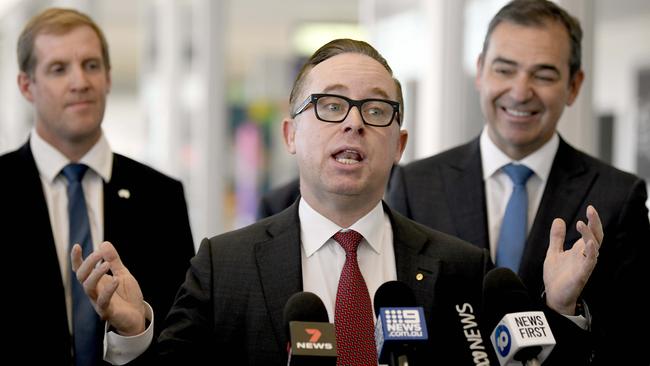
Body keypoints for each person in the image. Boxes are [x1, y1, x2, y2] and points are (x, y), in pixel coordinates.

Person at [74, 39, 600, 365]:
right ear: (290, 135)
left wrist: (559, 311)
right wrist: (133, 330)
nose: (352, 121)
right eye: (330, 105)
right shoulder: (223, 265)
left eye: (375, 109)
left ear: (398, 144)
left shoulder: (462, 268)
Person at [386, 0, 650, 364]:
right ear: (480, 72)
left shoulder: (618, 198)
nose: (520, 91)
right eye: (504, 69)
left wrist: (565, 310)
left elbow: (631, 342)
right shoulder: (414, 185)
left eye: (543, 75)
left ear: (574, 85)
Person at [0, 8, 195, 365]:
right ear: (26, 86)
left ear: (107, 77)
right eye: (59, 69)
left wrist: (135, 331)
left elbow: (184, 334)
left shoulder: (160, 196)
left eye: (91, 65)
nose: (80, 82)